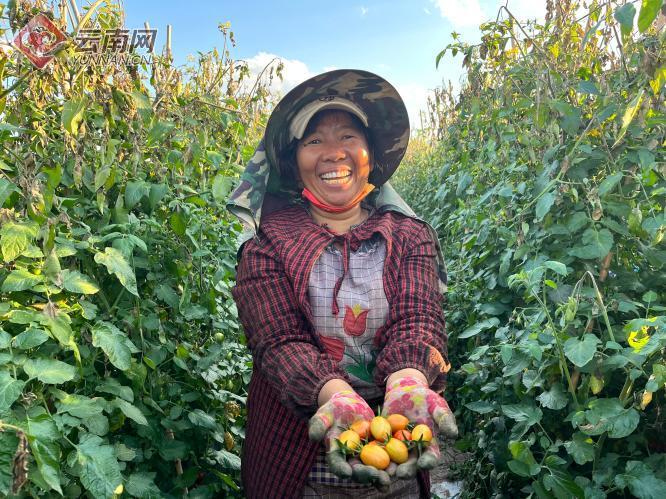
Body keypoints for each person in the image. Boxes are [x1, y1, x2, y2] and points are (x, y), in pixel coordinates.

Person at [227, 69, 457, 499]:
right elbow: (278, 341)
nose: (334, 153)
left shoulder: (409, 234)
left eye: (348, 136)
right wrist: (333, 394)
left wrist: (407, 380)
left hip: (398, 450)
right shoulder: (266, 244)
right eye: (314, 141)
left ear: (371, 154)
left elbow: (418, 317)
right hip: (298, 465)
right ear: (294, 163)